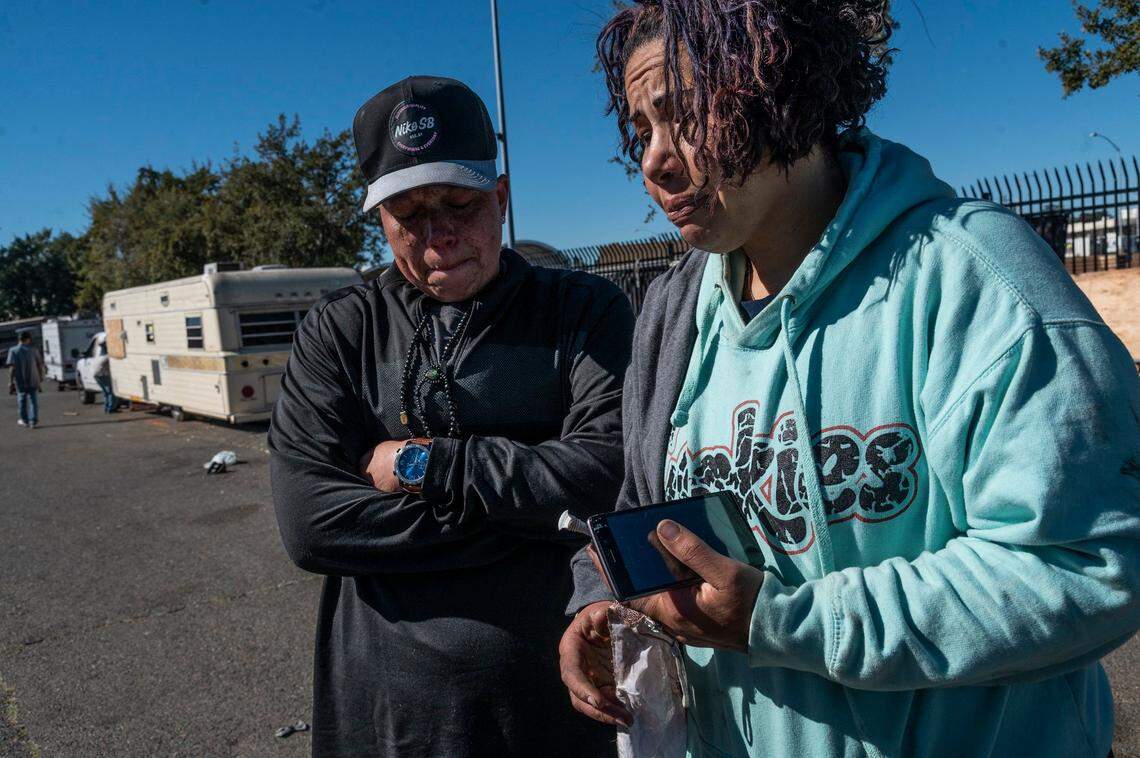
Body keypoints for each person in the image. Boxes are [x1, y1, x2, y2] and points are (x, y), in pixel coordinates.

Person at [560, 2, 1140, 756]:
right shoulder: (676, 314)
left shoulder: (971, 279)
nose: (655, 162)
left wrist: (781, 623)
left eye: (686, 117)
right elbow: (641, 507)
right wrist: (601, 598)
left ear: (781, 87)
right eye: (643, 131)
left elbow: (1082, 567)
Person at [269, 76, 633, 757]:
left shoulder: (582, 312)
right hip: (385, 718)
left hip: (554, 716)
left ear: (500, 199)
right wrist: (533, 520)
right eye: (408, 215)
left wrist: (425, 463)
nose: (439, 237)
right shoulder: (340, 329)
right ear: (379, 222)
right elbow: (310, 524)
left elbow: (608, 475)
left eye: (460, 205)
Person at [7, 331, 45, 428]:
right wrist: (40, 377)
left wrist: (10, 381)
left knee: (22, 400)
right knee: (33, 400)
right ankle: (33, 421)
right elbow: (39, 365)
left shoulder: (13, 350)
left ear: (19, 339)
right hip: (33, 378)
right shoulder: (34, 350)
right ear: (28, 339)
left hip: (20, 380)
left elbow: (12, 367)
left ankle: (25, 420)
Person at [91, 334, 117, 413]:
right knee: (110, 392)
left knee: (105, 392)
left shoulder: (100, 357)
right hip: (102, 375)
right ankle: (110, 408)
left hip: (96, 375)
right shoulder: (107, 357)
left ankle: (106, 408)